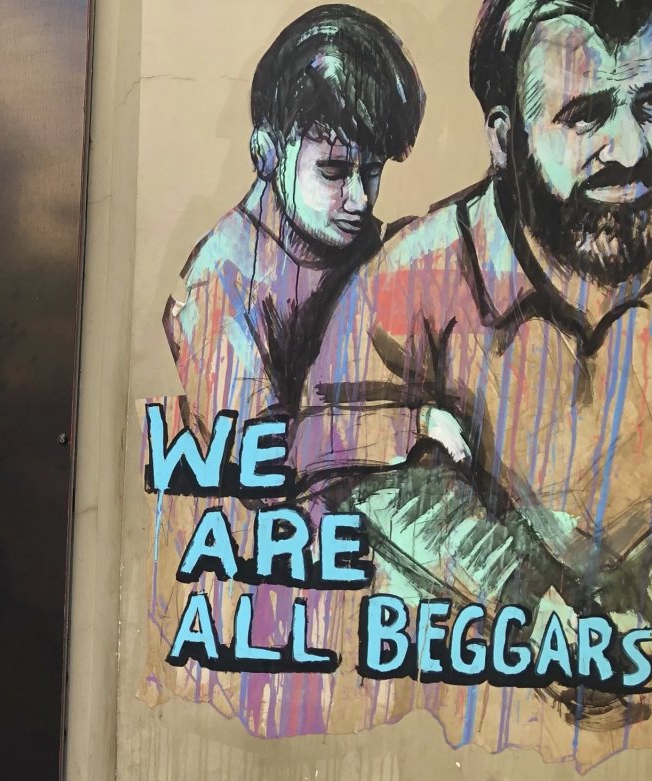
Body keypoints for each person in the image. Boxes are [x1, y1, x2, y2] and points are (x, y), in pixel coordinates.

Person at [287, 0, 652, 745]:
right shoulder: (411, 285)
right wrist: (520, 593)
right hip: (464, 754)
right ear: (504, 139)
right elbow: (335, 466)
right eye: (586, 114)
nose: (629, 148)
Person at [142, 4, 425, 730]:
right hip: (275, 619)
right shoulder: (218, 286)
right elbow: (255, 456)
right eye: (334, 171)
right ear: (267, 151)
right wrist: (403, 429)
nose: (359, 199)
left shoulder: (366, 247)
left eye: (372, 174)